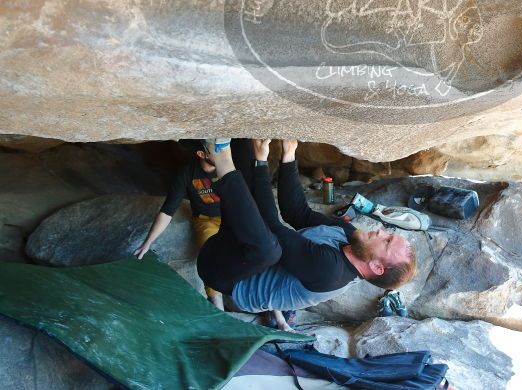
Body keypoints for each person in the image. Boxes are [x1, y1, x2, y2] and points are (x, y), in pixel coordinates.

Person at [196, 138, 417, 330]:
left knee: (270, 250)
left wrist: (262, 165)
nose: (380, 230)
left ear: (378, 268)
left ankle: (221, 158)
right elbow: (297, 212)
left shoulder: (330, 270)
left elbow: (272, 225)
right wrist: (288, 154)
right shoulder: (350, 237)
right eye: (388, 233)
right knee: (246, 151)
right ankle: (223, 140)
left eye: (386, 241)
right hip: (238, 247)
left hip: (225, 274)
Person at [134, 139, 256, 310]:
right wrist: (148, 242)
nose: (222, 153)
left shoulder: (229, 165)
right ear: (202, 154)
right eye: (217, 149)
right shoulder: (187, 172)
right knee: (212, 258)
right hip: (206, 219)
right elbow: (168, 210)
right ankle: (219, 310)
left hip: (232, 216)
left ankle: (272, 311)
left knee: (256, 248)